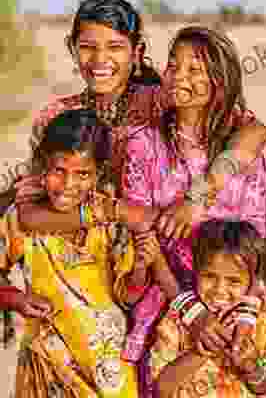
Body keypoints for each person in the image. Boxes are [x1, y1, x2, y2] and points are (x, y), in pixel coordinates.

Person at [11, 0, 266, 238]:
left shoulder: (162, 98)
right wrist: (114, 212)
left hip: (150, 254)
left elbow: (255, 131)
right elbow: (29, 214)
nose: (100, 59)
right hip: (82, 259)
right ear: (72, 48)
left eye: (115, 47)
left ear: (137, 52)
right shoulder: (56, 117)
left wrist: (200, 194)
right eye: (87, 47)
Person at [120, 26, 266, 396]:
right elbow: (145, 237)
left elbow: (256, 242)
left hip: (234, 308)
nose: (178, 77)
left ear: (219, 81)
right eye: (173, 66)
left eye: (195, 69)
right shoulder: (143, 144)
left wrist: (243, 317)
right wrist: (191, 311)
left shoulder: (242, 148)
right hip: (165, 309)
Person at [0, 109, 153, 397]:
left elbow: (127, 295)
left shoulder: (111, 221)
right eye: (59, 170)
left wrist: (142, 266)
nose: (69, 185)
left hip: (108, 366)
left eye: (82, 174)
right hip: (49, 366)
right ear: (43, 166)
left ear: (98, 174)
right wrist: (14, 297)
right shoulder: (19, 218)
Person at [150, 219, 266, 398]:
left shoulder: (259, 322)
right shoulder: (179, 319)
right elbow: (160, 388)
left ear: (252, 282)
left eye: (233, 281)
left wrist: (250, 367)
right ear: (196, 272)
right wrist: (199, 353)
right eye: (209, 276)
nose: (219, 289)